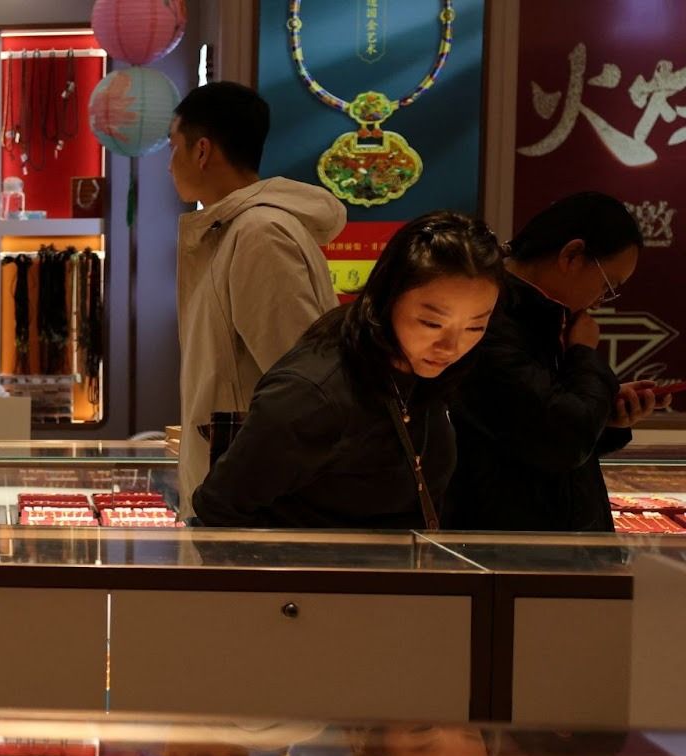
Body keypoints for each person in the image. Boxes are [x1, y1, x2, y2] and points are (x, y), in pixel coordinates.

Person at [192, 212, 505, 529]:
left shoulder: (429, 370)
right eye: (431, 323)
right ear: (387, 296)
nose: (451, 347)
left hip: (399, 559)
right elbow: (219, 508)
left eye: (475, 327)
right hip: (314, 560)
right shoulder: (313, 394)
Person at [168, 81, 347, 518]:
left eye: (173, 147)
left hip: (253, 498)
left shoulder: (259, 235)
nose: (169, 164)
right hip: (242, 489)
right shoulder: (235, 231)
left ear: (202, 151)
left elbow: (303, 384)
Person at [447, 193, 662, 532]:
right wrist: (583, 354)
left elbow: (550, 421)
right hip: (508, 544)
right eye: (607, 285)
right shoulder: (487, 320)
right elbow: (563, 440)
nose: (601, 301)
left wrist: (607, 413)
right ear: (571, 255)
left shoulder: (548, 315)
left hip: (550, 539)